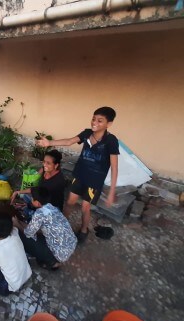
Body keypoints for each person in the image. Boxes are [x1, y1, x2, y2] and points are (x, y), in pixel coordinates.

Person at [36, 106, 120, 240]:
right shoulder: (87, 133)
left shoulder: (111, 141)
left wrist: (111, 192)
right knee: (69, 202)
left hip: (94, 181)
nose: (94, 123)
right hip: (80, 175)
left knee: (85, 207)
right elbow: (69, 141)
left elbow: (115, 167)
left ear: (108, 124)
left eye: (100, 121)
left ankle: (83, 230)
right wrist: (49, 143)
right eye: (93, 119)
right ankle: (60, 224)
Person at [15, 186, 77, 271]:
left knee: (23, 237)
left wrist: (17, 223)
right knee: (36, 231)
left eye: (32, 198)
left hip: (60, 254)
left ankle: (53, 263)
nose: (31, 200)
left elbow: (28, 233)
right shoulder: (52, 207)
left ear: (37, 203)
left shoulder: (40, 214)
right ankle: (51, 258)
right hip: (70, 245)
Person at [10, 150, 68, 221]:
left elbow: (37, 193)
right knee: (24, 195)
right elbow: (36, 179)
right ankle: (28, 208)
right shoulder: (46, 169)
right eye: (44, 161)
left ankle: (30, 214)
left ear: (56, 165)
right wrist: (18, 192)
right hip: (41, 196)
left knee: (30, 214)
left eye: (48, 163)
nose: (44, 165)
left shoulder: (56, 182)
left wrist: (29, 205)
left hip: (51, 206)